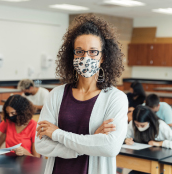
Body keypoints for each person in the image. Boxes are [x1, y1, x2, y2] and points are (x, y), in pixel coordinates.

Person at [35, 14, 128, 174]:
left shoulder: (115, 98)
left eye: (93, 52)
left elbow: (110, 147)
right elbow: (41, 144)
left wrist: (57, 133)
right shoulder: (56, 95)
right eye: (79, 51)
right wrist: (91, 140)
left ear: (103, 57)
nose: (86, 57)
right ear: (72, 55)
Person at [125, 105, 172, 174]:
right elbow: (125, 136)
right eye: (136, 125)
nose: (139, 128)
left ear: (150, 121)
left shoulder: (161, 125)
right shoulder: (132, 124)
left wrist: (160, 143)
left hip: (158, 162)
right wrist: (126, 140)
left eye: (142, 125)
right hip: (140, 160)